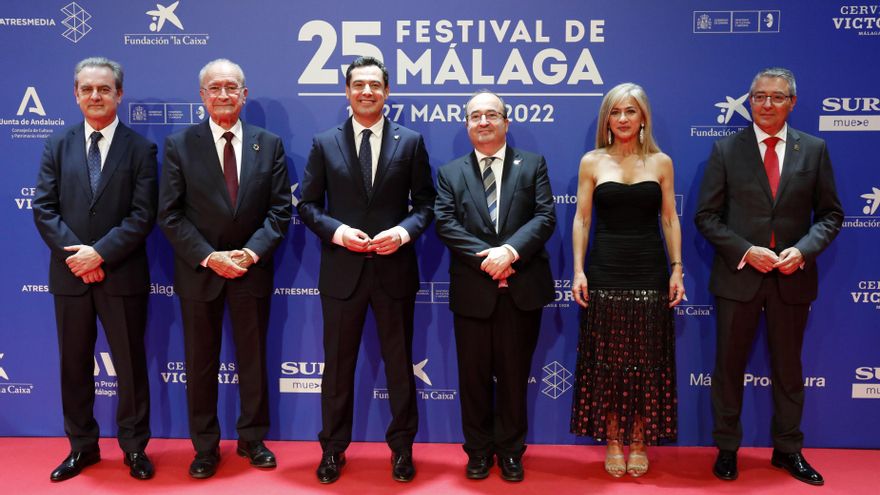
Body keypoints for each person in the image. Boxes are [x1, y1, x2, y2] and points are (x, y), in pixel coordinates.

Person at [695, 67, 843, 486]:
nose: (766, 105)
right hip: (739, 279)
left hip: (792, 279)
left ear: (792, 103)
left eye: (776, 97)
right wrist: (745, 250)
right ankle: (726, 449)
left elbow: (831, 215)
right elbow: (706, 216)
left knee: (789, 370)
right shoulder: (726, 149)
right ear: (750, 101)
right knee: (728, 368)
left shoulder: (813, 150)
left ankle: (788, 450)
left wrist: (803, 250)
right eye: (759, 97)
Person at [298, 56, 436, 484]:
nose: (367, 92)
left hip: (394, 272)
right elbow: (306, 204)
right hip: (342, 273)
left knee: (400, 367)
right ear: (346, 91)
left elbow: (428, 205)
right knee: (337, 369)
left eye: (375, 85)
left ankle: (402, 451)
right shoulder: (325, 143)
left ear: (387, 92)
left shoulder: (410, 142)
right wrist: (337, 233)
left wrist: (403, 232)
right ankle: (333, 450)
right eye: (358, 85)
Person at [158, 58, 292, 479]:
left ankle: (253, 439)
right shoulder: (180, 145)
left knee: (253, 359)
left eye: (231, 88)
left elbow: (279, 211)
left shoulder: (268, 144)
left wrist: (249, 254)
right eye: (214, 88)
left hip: (251, 270)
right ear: (202, 96)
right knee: (200, 363)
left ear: (244, 95)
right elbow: (171, 214)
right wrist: (209, 256)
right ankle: (205, 447)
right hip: (200, 272)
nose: (223, 95)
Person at [33, 57, 158, 481]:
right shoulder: (57, 145)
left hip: (121, 276)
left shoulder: (141, 149)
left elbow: (143, 215)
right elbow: (44, 209)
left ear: (119, 94)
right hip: (70, 278)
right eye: (87, 89)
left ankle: (135, 448)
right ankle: (82, 447)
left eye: (104, 89)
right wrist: (78, 258)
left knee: (130, 366)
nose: (95, 96)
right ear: (75, 95)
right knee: (73, 365)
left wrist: (99, 254)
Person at [435, 90, 556, 482]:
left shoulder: (533, 165)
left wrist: (510, 252)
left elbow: (544, 217)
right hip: (474, 289)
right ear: (466, 124)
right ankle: (478, 451)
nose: (483, 121)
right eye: (475, 116)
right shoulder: (450, 173)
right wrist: (490, 258)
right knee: (472, 378)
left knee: (514, 375)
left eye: (491, 115)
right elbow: (446, 223)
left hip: (521, 289)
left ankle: (510, 451)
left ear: (506, 121)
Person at [569, 82, 683, 478]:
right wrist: (578, 270)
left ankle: (639, 440)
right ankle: (613, 440)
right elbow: (582, 218)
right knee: (610, 363)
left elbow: (669, 218)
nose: (622, 119)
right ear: (607, 118)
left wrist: (677, 268)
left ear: (643, 117)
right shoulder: (592, 162)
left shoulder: (662, 163)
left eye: (630, 111)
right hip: (605, 269)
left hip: (650, 269)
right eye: (615, 112)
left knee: (646, 361)